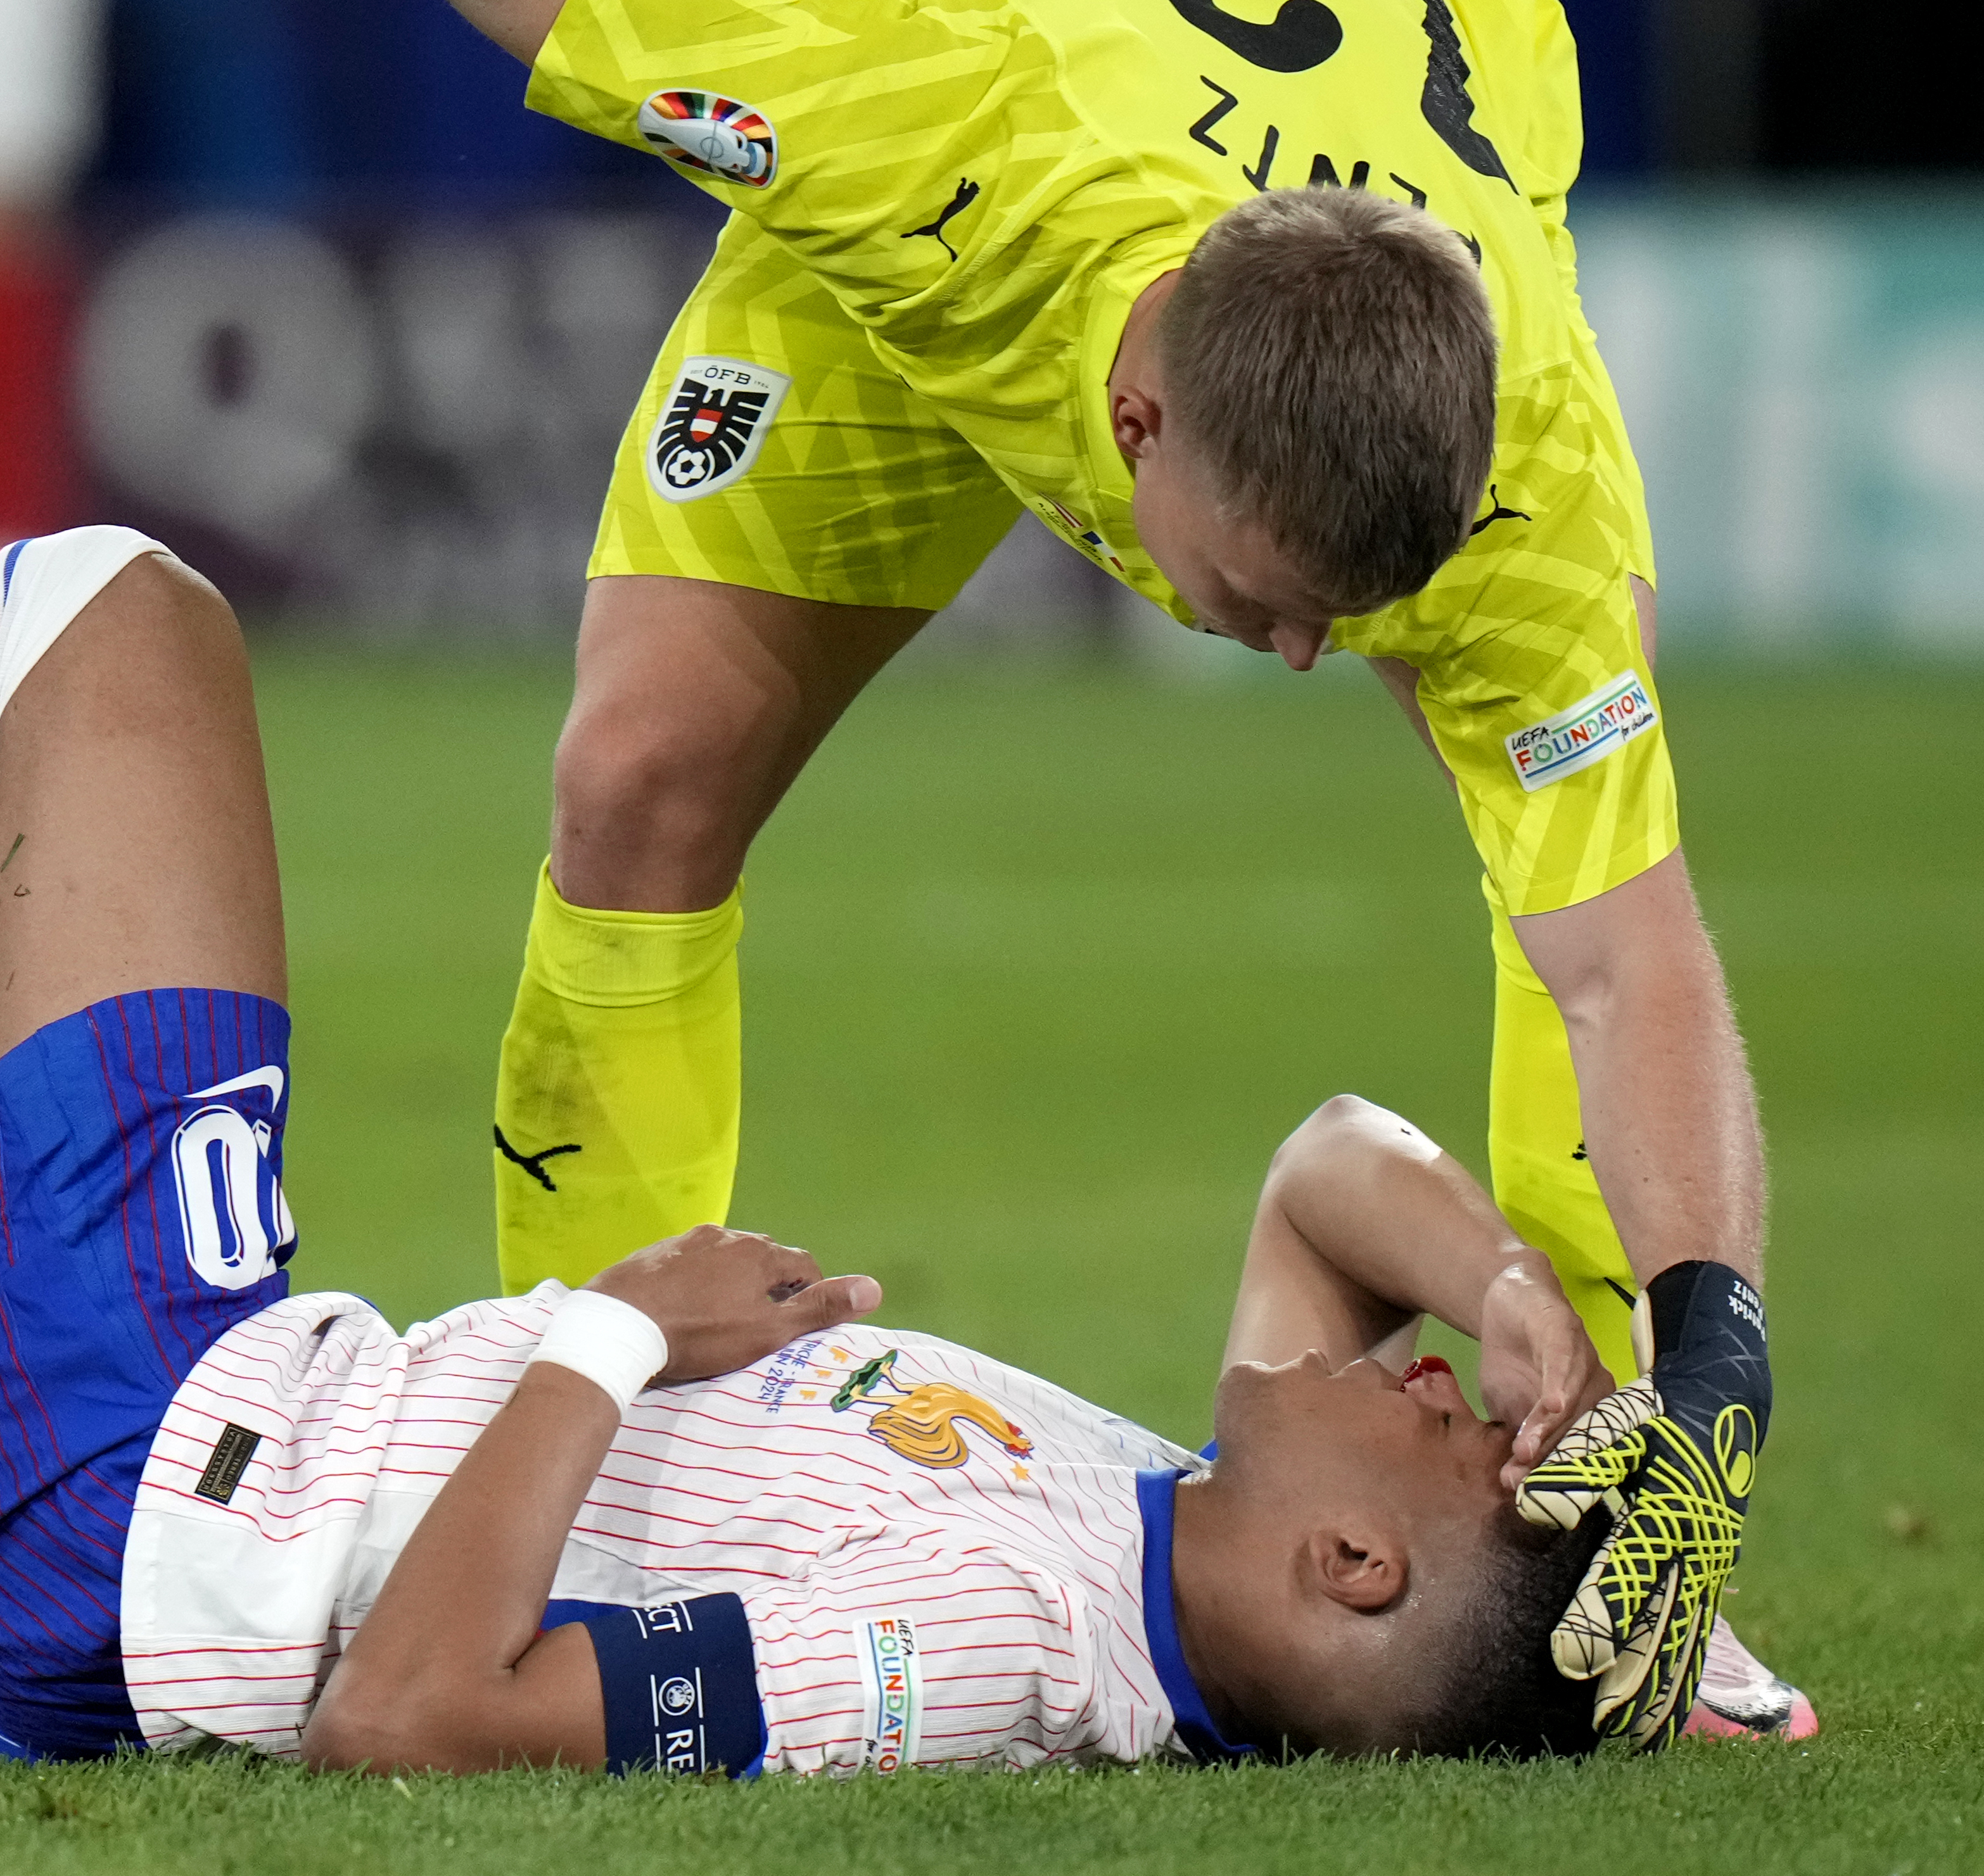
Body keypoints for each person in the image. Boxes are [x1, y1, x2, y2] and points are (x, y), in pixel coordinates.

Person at [0, 536, 1750, 1763]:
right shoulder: (1156, 1517)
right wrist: (1541, 1303)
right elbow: (1330, 1166)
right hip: (170, 1481)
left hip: (131, 1497)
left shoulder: (973, 1651)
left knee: (92, 619)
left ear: (1348, 1568)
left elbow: (415, 1715)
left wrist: (615, 1326)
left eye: (1451, 1435)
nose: (1441, 1373)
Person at [435, 0, 1776, 1748]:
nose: (1305, 654)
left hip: (1362, 181)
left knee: (1568, 868)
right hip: (935, 287)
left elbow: (1627, 959)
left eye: (1359, 609)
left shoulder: (1525, 472)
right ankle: (614, 1474)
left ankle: (1600, 1574)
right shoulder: (917, 113)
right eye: (1271, 599)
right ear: (1135, 424)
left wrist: (1713, 1372)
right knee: (632, 781)